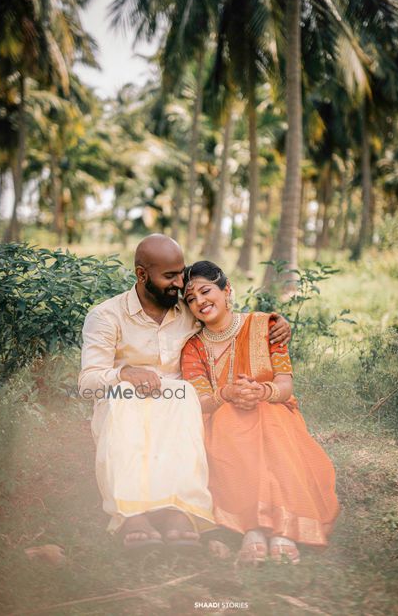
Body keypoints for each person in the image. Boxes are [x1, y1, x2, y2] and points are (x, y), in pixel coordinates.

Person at [78, 235, 291, 552]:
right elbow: (87, 382)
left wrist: (273, 323)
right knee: (127, 397)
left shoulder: (187, 310)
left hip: (176, 409)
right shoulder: (107, 316)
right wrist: (125, 374)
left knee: (183, 395)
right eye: (170, 276)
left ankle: (180, 511)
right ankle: (132, 515)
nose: (180, 283)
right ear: (142, 275)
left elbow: (224, 315)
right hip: (125, 409)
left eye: (181, 273)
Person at [181, 260, 340, 565]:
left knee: (271, 419)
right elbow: (200, 400)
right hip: (222, 416)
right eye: (191, 298)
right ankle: (252, 529)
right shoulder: (193, 347)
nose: (199, 301)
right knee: (229, 423)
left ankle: (283, 530)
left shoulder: (265, 327)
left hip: (272, 409)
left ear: (227, 290)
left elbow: (285, 385)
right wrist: (227, 394)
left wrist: (262, 392)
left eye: (206, 291)